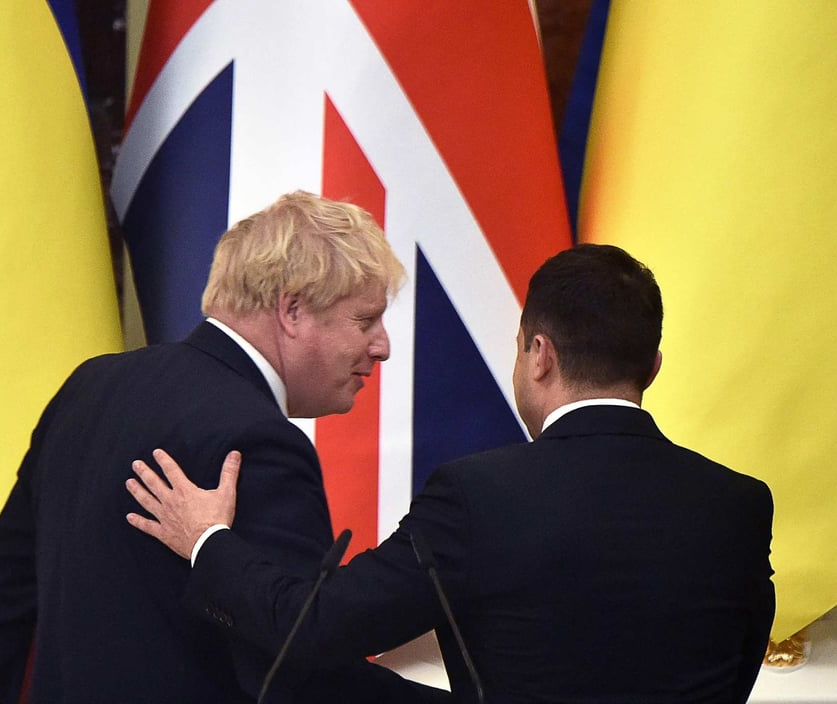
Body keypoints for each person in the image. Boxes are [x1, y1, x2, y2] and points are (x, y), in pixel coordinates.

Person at [127, 243, 777, 703]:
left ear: (538, 354)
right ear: (654, 366)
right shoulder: (741, 505)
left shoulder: (480, 496)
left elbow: (318, 628)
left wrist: (207, 540)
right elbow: (737, 665)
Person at [0, 191, 449, 703]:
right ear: (292, 309)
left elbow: (0, 593)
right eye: (365, 320)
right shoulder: (257, 442)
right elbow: (297, 668)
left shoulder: (90, 387)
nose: (383, 346)